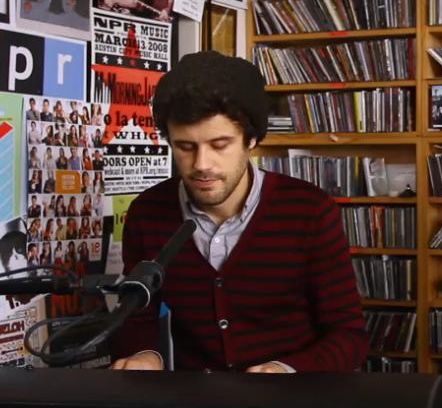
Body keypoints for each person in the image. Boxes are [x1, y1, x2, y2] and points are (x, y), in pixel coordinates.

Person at [110, 51, 368, 373]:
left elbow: (349, 336)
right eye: (185, 147)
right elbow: (137, 317)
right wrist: (145, 355)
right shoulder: (147, 214)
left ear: (252, 140)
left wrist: (285, 370)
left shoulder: (310, 212)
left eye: (219, 145)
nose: (201, 164)